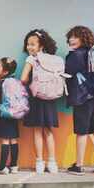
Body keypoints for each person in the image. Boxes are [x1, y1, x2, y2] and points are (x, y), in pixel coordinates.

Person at [64, 26, 94, 176]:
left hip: (82, 97)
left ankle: (79, 166)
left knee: (81, 131)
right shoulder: (93, 53)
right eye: (70, 37)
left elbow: (67, 72)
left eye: (75, 36)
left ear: (83, 38)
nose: (71, 39)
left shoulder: (76, 55)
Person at [20, 29, 63, 174]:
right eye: (28, 45)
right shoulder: (53, 59)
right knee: (48, 131)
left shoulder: (31, 59)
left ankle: (39, 162)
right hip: (50, 97)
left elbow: (23, 78)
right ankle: (52, 162)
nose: (29, 47)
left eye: (32, 44)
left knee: (37, 131)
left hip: (37, 97)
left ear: (41, 45)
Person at [0, 57, 24, 173]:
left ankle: (2, 167)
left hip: (3, 114)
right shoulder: (15, 82)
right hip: (14, 114)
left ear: (5, 72)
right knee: (13, 140)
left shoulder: (0, 83)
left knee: (5, 140)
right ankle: (14, 166)